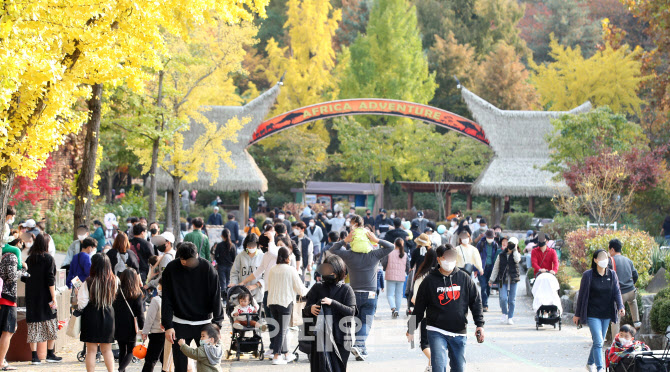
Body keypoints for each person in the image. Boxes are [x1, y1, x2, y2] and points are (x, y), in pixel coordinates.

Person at [407, 244, 485, 372]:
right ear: (438, 259)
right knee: (438, 367)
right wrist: (410, 328)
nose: (449, 261)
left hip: (459, 331)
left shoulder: (464, 278)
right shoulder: (429, 281)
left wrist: (480, 325)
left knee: (459, 368)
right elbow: (418, 308)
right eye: (445, 258)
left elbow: (476, 302)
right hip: (436, 330)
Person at [328, 230, 394, 361]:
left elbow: (333, 249)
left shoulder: (349, 255)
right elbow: (391, 246)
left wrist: (345, 240)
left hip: (353, 294)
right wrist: (377, 240)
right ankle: (359, 344)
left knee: (358, 322)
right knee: (366, 322)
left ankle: (361, 349)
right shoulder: (374, 254)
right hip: (370, 294)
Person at [162, 242, 223, 372]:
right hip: (180, 323)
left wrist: (217, 324)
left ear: (197, 255)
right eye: (183, 261)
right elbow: (166, 299)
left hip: (204, 324)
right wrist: (168, 325)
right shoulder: (171, 268)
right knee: (180, 365)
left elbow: (216, 297)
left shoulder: (207, 268)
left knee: (209, 364)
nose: (185, 263)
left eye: (189, 261)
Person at [574, 249, 625, 372]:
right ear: (595, 260)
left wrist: (621, 306)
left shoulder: (612, 274)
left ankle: (590, 363)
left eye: (605, 257)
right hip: (592, 313)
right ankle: (600, 368)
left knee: (599, 342)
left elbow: (617, 292)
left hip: (606, 313)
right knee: (598, 341)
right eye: (601, 258)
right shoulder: (588, 275)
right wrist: (577, 314)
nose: (604, 260)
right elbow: (582, 296)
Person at [303, 255, 356, 372]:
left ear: (338, 271)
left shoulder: (346, 290)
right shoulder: (317, 288)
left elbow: (351, 312)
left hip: (341, 339)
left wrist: (332, 303)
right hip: (320, 339)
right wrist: (310, 308)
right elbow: (305, 310)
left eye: (332, 271)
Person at [266, 247, 308, 365]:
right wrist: (308, 293)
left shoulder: (273, 269)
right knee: (282, 329)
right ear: (287, 258)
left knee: (280, 328)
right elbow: (300, 288)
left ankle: (285, 353)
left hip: (273, 302)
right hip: (285, 302)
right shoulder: (291, 270)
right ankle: (276, 356)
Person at [24, 233, 61, 364]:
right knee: (51, 323)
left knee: (33, 325)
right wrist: (54, 297)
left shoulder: (29, 259)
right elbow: (51, 280)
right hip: (47, 297)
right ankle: (50, 353)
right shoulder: (49, 259)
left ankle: (34, 356)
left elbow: (24, 277)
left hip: (32, 297)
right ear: (46, 243)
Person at [78, 254, 118, 372]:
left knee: (91, 351)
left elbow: (82, 304)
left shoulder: (88, 282)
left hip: (91, 316)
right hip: (109, 316)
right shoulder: (115, 280)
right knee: (107, 350)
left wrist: (78, 292)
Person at [113, 268, 145, 372]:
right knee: (132, 350)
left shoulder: (117, 293)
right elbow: (140, 313)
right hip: (131, 326)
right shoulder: (136, 294)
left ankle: (122, 370)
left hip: (118, 325)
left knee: (122, 349)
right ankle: (121, 369)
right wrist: (143, 328)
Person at [411, 249, 438, 372]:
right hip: (442, 314)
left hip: (426, 315)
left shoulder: (422, 276)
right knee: (436, 343)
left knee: (425, 344)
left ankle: (434, 361)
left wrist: (410, 328)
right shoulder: (442, 275)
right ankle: (430, 366)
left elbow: (415, 299)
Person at [608, 239, 641, 336]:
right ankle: (637, 321)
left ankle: (615, 341)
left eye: (609, 250)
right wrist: (631, 284)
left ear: (612, 249)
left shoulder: (611, 261)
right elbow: (635, 275)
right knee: (633, 301)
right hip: (631, 291)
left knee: (616, 319)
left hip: (620, 294)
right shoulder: (628, 260)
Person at [0, 248, 24, 370]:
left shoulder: (3, 256)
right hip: (8, 299)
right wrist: (22, 270)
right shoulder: (12, 257)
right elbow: (12, 276)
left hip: (3, 298)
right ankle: (1, 362)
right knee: (8, 330)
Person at [489, 236, 520, 325]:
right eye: (509, 244)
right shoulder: (501, 255)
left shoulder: (516, 254)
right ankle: (504, 313)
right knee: (503, 298)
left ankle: (510, 317)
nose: (510, 246)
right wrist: (491, 279)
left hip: (513, 280)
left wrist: (514, 250)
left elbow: (517, 260)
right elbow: (496, 268)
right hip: (502, 280)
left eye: (512, 244)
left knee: (512, 300)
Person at [229, 234, 264, 304]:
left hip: (257, 294)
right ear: (246, 245)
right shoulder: (240, 256)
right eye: (249, 245)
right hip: (242, 295)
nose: (251, 247)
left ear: (257, 245)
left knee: (256, 314)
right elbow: (234, 272)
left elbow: (265, 275)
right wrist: (234, 283)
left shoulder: (262, 256)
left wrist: (255, 286)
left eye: (253, 245)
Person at [381, 238, 409, 319]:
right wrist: (407, 273)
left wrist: (385, 268)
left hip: (390, 276)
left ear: (394, 243)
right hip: (401, 277)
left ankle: (394, 309)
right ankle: (398, 311)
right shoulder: (405, 254)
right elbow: (408, 266)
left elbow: (384, 262)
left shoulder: (389, 252)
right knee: (398, 295)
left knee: (390, 294)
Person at [142, 278, 165, 372]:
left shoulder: (156, 300)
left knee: (150, 360)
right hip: (168, 334)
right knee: (166, 360)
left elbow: (149, 318)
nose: (158, 287)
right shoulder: (174, 299)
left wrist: (145, 332)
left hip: (157, 333)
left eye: (159, 285)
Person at [476, 229, 500, 312]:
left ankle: (485, 301)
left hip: (491, 268)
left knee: (488, 286)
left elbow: (497, 257)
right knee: (483, 286)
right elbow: (476, 257)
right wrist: (476, 269)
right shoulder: (481, 244)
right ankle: (484, 304)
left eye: (491, 237)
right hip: (482, 268)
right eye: (488, 237)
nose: (490, 238)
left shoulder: (495, 245)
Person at [213, 229, 236, 301]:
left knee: (222, 283)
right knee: (228, 282)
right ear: (230, 235)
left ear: (222, 236)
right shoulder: (232, 246)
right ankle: (228, 298)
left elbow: (216, 256)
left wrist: (219, 261)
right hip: (230, 266)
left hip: (221, 266)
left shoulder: (219, 245)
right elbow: (234, 257)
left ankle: (223, 299)